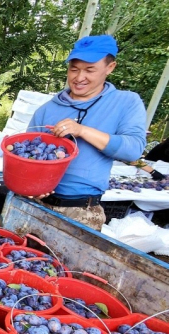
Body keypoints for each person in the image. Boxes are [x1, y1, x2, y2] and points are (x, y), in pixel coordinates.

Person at [29, 35, 147, 230]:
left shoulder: (126, 102)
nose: (79, 77)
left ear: (110, 67)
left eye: (89, 70)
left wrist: (82, 130)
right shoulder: (46, 110)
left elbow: (133, 149)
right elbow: (30, 157)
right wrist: (33, 185)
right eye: (74, 69)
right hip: (36, 206)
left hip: (82, 212)